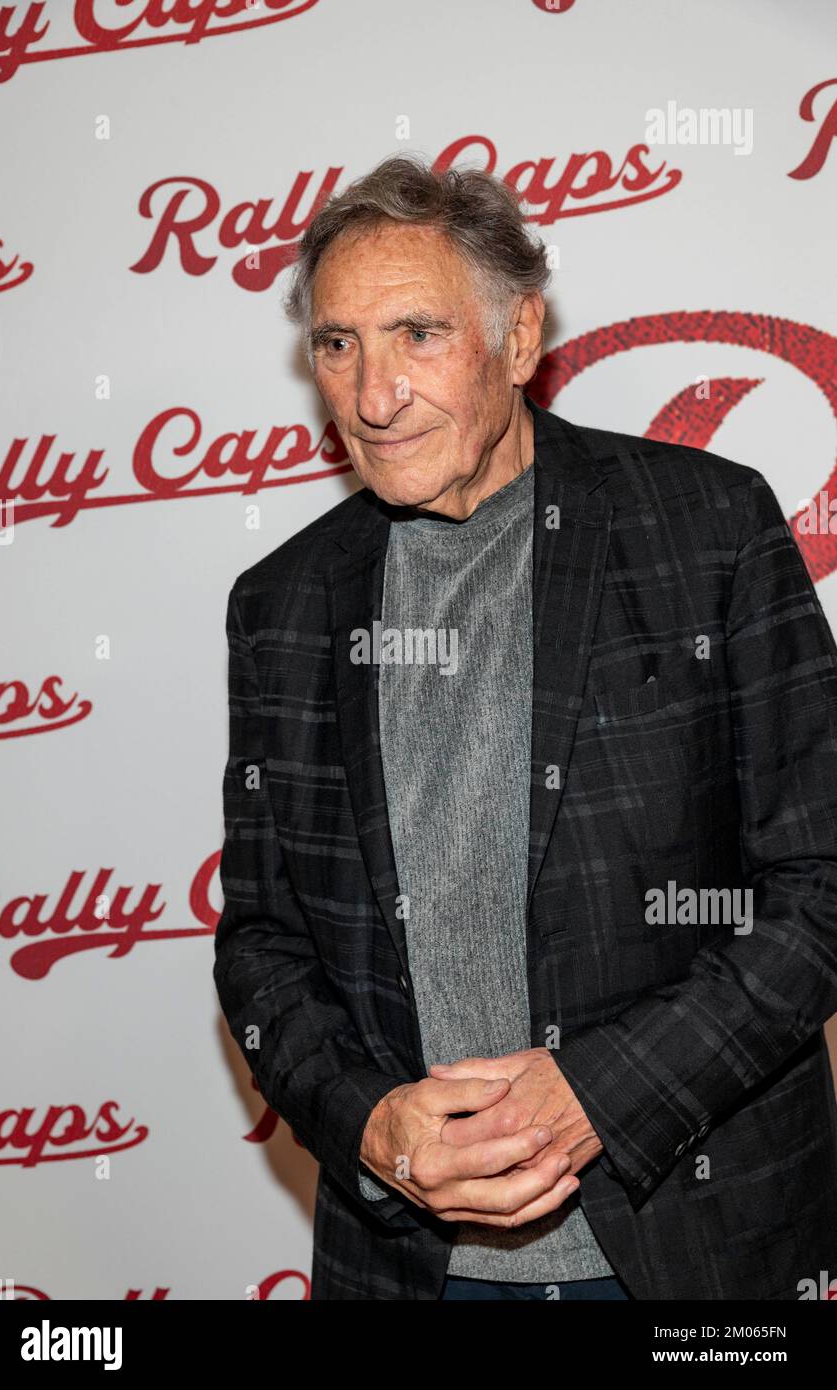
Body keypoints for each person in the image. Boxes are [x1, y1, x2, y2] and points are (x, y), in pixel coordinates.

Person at [213, 153, 837, 1300]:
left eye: (415, 334)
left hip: (694, 1250)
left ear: (515, 338)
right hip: (409, 1263)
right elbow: (260, 945)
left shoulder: (705, 529)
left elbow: (816, 888)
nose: (371, 392)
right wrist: (370, 1126)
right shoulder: (282, 604)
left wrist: (600, 1091)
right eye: (337, 344)